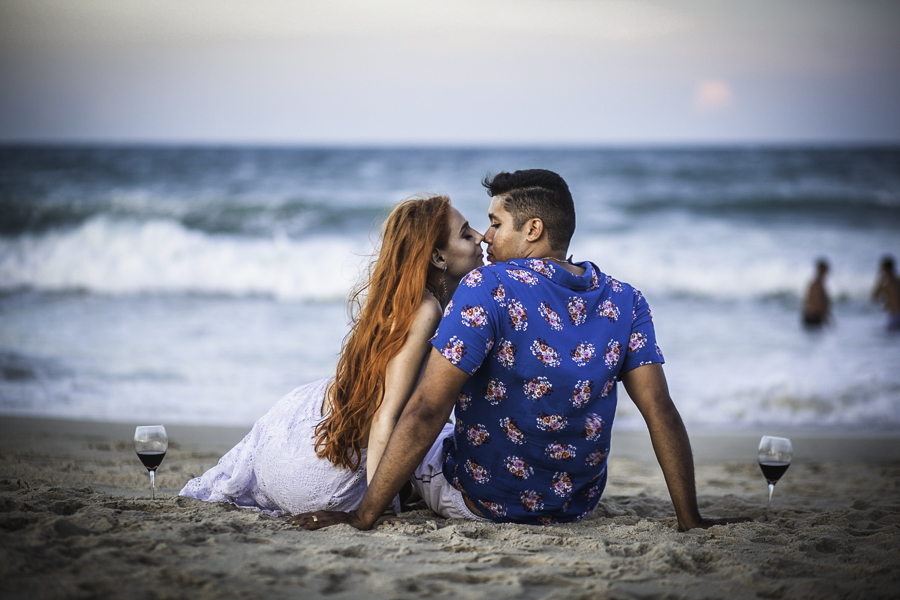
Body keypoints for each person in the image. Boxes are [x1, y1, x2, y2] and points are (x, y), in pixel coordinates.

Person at [290, 169, 747, 531]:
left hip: (481, 503)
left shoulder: (485, 286)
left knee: (396, 423)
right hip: (574, 507)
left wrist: (362, 516)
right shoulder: (625, 298)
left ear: (532, 228)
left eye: (494, 223)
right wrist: (691, 519)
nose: (486, 237)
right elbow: (660, 410)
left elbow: (428, 409)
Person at [179, 195, 485, 515]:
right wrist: (377, 509)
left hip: (299, 440)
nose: (479, 237)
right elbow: (385, 414)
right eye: (466, 234)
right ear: (437, 257)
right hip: (327, 481)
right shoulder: (426, 309)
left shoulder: (396, 303)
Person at [872, 255, 900, 332]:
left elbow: (874, 297)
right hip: (894, 314)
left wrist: (879, 279)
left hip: (893, 316)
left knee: (889, 338)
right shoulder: (898, 281)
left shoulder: (885, 284)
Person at [802, 258, 832, 329]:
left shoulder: (813, 283)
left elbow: (806, 301)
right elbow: (819, 302)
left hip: (810, 316)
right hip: (814, 317)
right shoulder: (818, 284)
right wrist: (825, 317)